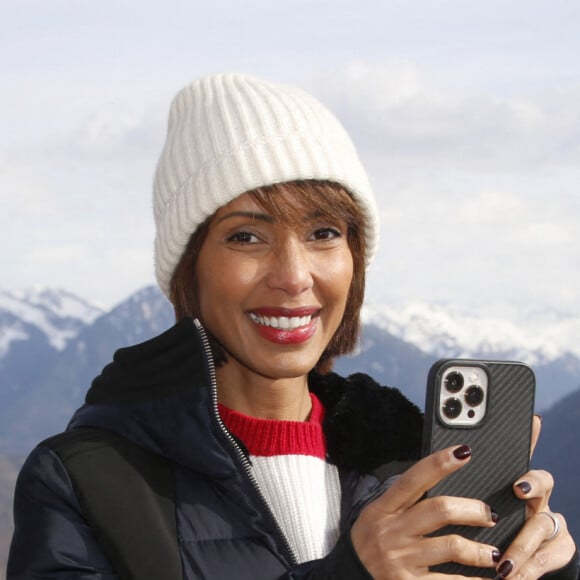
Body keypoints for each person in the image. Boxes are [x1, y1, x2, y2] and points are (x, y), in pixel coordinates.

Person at [7, 73, 578, 579]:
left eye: (324, 232)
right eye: (246, 237)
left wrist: (541, 565)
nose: (293, 276)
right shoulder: (86, 483)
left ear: (355, 260)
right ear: (190, 269)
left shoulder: (413, 465)